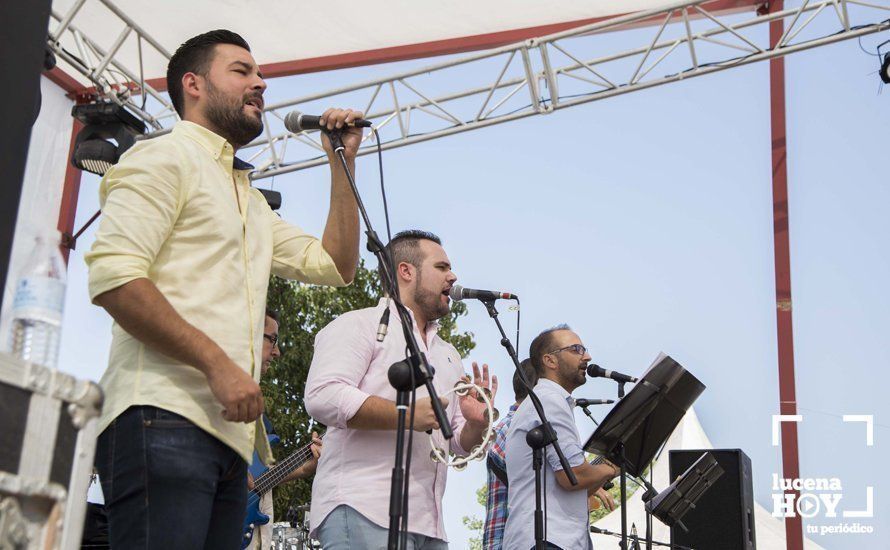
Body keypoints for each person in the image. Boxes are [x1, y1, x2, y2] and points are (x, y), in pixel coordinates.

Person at [86, 29, 361, 549]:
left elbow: (335, 265)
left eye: (259, 74)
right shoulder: (161, 158)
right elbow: (115, 278)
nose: (261, 83)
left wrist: (340, 161)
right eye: (242, 71)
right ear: (193, 84)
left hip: (232, 444)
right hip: (160, 415)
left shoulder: (250, 201)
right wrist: (217, 364)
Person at [304, 229, 498, 549]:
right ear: (406, 271)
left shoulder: (448, 355)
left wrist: (476, 424)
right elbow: (323, 395)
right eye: (442, 267)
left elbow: (457, 445)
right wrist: (406, 416)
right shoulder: (359, 324)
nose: (453, 276)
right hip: (362, 507)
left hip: (430, 524)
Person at [502, 325, 619, 550]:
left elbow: (565, 487)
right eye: (576, 349)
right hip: (548, 540)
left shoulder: (549, 401)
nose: (587, 356)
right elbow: (572, 476)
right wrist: (610, 469)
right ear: (550, 361)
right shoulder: (549, 401)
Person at [245, 308, 322, 550]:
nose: (277, 352)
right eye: (272, 339)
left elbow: (257, 478)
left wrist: (304, 468)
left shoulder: (256, 411)